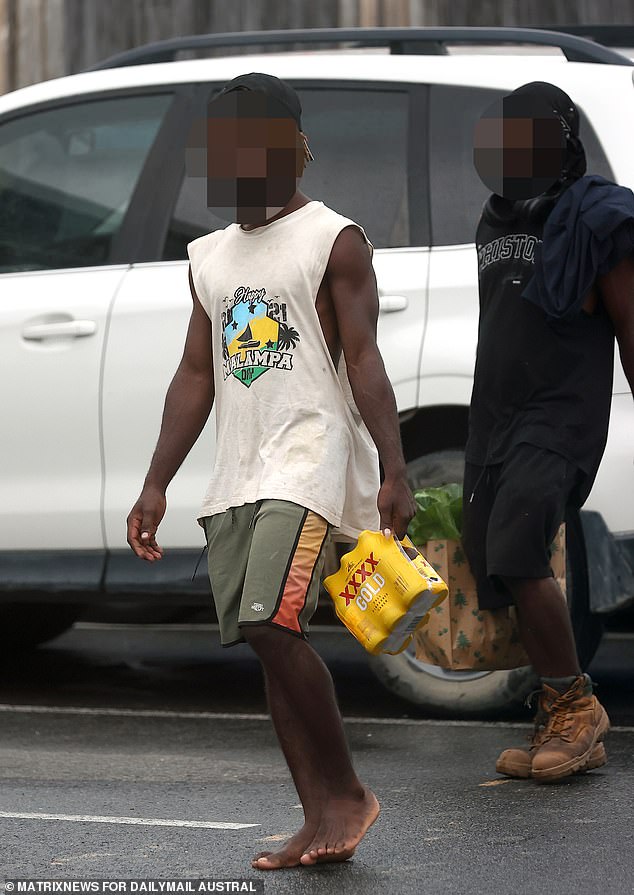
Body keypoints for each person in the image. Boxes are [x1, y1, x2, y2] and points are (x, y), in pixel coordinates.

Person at [126, 72, 415, 869]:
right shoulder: (209, 257)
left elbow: (364, 358)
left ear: (291, 149)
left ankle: (349, 792)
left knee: (269, 621)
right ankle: (319, 815)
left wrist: (394, 466)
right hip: (239, 472)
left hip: (309, 461)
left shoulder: (334, 238)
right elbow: (195, 375)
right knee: (265, 638)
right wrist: (156, 482)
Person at [465, 81, 634, 781]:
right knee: (492, 557)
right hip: (497, 412)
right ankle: (557, 712)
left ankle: (575, 708)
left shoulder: (600, 219)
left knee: (518, 543)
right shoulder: (496, 219)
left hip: (561, 412)